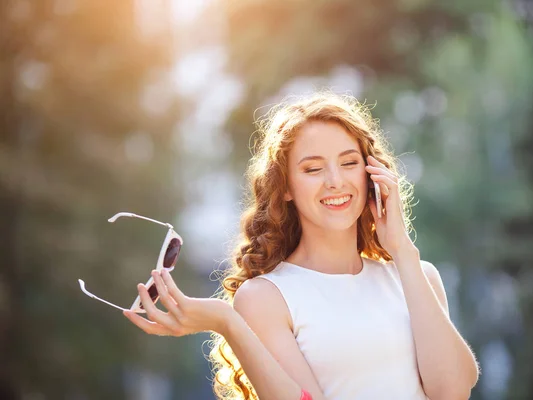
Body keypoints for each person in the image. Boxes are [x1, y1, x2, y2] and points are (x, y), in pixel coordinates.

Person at [123, 92, 480, 400]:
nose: (336, 181)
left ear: (371, 174)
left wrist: (403, 249)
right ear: (287, 187)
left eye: (349, 163)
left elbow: (453, 391)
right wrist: (226, 321)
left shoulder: (417, 277)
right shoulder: (266, 298)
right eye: (313, 169)